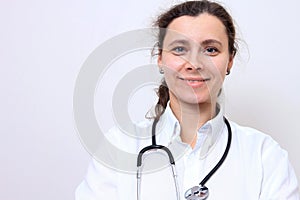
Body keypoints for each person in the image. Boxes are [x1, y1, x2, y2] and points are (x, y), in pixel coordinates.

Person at [75, 1, 299, 199]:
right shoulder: (119, 147)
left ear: (230, 60)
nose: (194, 63)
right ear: (160, 59)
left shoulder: (265, 156)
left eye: (210, 49)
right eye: (179, 49)